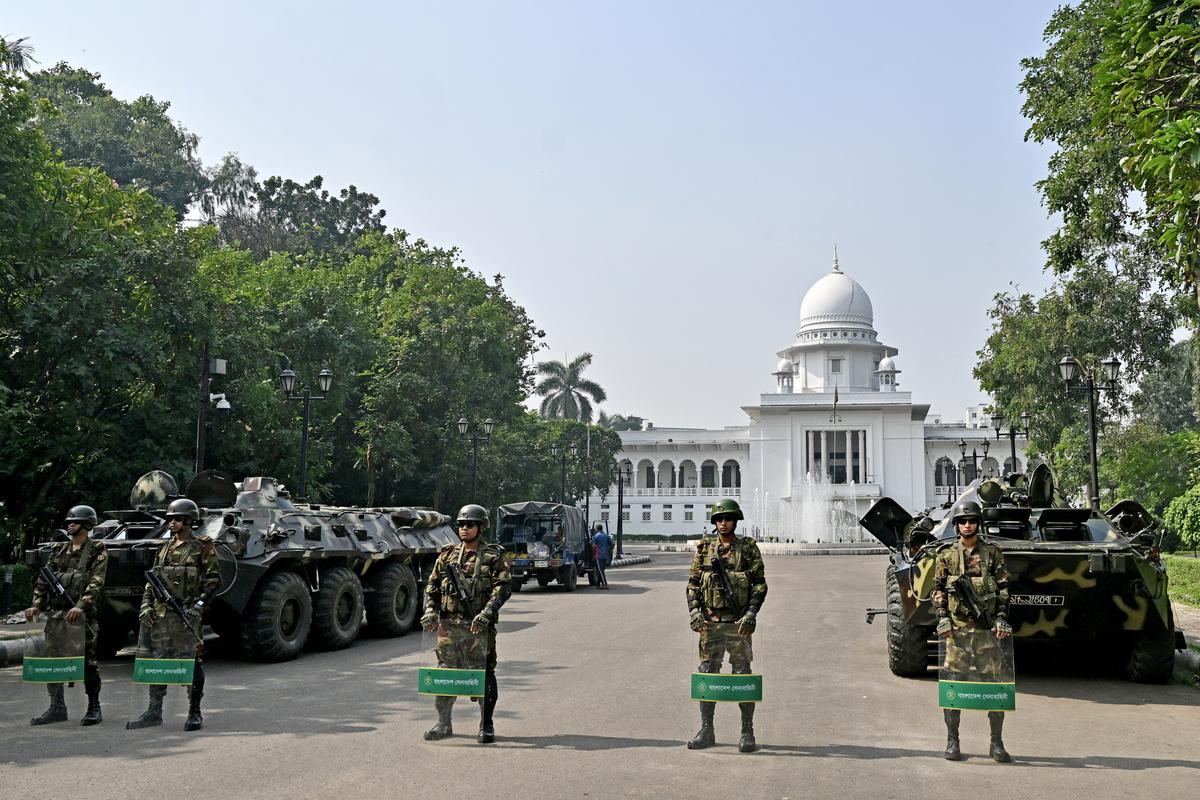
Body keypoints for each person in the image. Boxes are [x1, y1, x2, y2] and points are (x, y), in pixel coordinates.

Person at [421, 503, 512, 744]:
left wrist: (486, 614)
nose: (464, 528)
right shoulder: (447, 555)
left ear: (481, 527)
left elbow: (503, 589)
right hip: (449, 627)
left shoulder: (493, 556)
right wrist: (430, 610)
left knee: (484, 674)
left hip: (478, 628)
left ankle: (486, 724)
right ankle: (444, 723)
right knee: (445, 674)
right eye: (461, 524)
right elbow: (432, 587)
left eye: (470, 524)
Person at [128, 498, 220, 732]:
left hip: (187, 616)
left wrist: (198, 607)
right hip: (161, 616)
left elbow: (213, 582)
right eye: (169, 519)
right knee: (158, 662)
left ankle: (194, 711)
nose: (172, 522)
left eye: (177, 518)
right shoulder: (163, 548)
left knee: (192, 662)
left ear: (189, 520)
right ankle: (154, 711)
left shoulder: (202, 546)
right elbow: (152, 582)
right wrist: (145, 607)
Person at [932, 499, 1012, 763]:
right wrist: (943, 619)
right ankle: (952, 741)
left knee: (995, 688)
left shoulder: (993, 553)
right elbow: (938, 591)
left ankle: (996, 743)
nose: (967, 525)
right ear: (956, 525)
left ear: (979, 523)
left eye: (972, 521)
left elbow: (1003, 590)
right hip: (957, 632)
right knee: (953, 687)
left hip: (987, 632)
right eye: (963, 521)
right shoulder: (946, 555)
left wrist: (1001, 619)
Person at [685, 498, 767, 753]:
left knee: (742, 675)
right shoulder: (704, 549)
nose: (723, 523)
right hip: (710, 625)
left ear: (735, 520)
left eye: (728, 518)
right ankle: (706, 729)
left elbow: (760, 584)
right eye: (719, 519)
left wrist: (751, 613)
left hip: (738, 624)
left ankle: (747, 731)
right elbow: (693, 585)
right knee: (707, 674)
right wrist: (694, 612)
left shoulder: (748, 548)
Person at [26, 505, 108, 726]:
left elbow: (96, 582)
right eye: (69, 522)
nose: (70, 524)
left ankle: (94, 706)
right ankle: (57, 707)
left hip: (83, 617)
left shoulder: (96, 550)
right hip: (56, 616)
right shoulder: (59, 550)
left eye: (75, 521)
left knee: (88, 662)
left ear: (87, 524)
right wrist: (36, 605)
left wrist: (80, 606)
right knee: (53, 660)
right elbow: (44, 581)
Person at [591, 522, 613, 589]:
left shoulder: (596, 536)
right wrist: (610, 550)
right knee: (601, 570)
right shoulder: (606, 536)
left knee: (600, 570)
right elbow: (613, 543)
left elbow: (593, 546)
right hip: (606, 555)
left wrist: (593, 554)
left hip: (599, 555)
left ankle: (605, 584)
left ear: (597, 529)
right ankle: (598, 584)